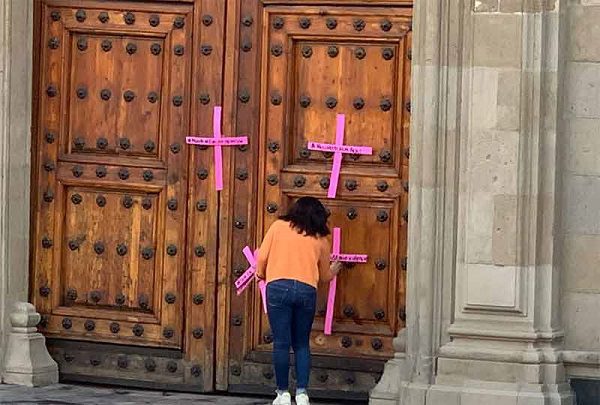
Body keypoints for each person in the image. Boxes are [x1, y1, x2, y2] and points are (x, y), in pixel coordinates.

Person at [256, 197, 343, 405]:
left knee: (281, 343)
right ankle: (302, 393)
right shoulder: (321, 239)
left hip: (278, 287)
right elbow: (323, 276)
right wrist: (335, 270)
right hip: (306, 290)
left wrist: (260, 274)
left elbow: (261, 258)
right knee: (302, 343)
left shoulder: (278, 227)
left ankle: (282, 393)